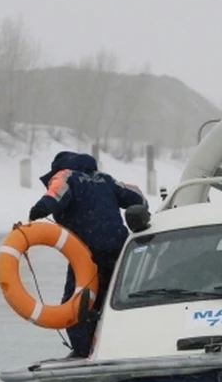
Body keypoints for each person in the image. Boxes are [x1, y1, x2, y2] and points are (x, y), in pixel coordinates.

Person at [28, 151, 148, 357]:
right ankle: (121, 345)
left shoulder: (66, 175)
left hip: (86, 251)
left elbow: (55, 194)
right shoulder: (106, 180)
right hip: (118, 249)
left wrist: (39, 210)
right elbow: (136, 196)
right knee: (112, 298)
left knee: (77, 301)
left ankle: (83, 351)